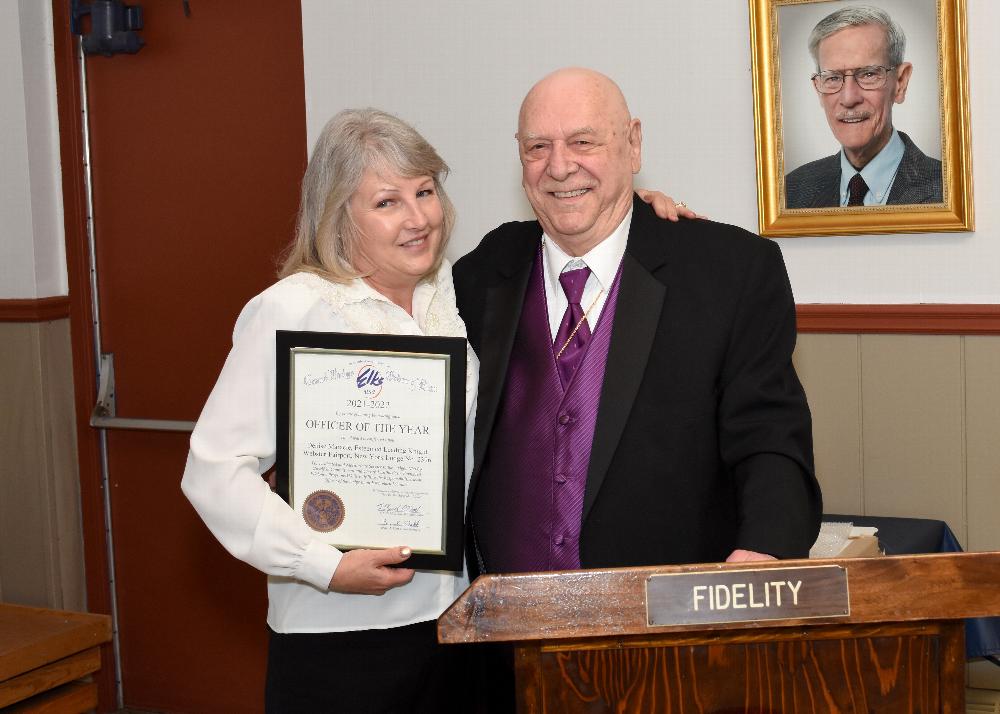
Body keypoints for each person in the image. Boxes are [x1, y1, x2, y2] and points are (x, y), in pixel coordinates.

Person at [181, 107, 689, 712]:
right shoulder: (293, 309)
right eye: (386, 202)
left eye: (424, 192)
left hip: (458, 623)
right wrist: (322, 564)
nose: (418, 218)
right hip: (340, 632)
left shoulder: (457, 292)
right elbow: (213, 470)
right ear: (339, 214)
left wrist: (631, 209)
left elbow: (570, 238)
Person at [455, 67, 822, 580]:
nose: (559, 167)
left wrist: (766, 549)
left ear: (633, 145)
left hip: (667, 616)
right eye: (538, 148)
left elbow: (770, 436)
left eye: (583, 142)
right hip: (499, 619)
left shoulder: (729, 271)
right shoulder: (481, 273)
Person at [785, 5, 942, 208]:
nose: (849, 98)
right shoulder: (793, 190)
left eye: (868, 74)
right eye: (833, 78)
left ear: (900, 83)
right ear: (818, 89)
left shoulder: (946, 190)